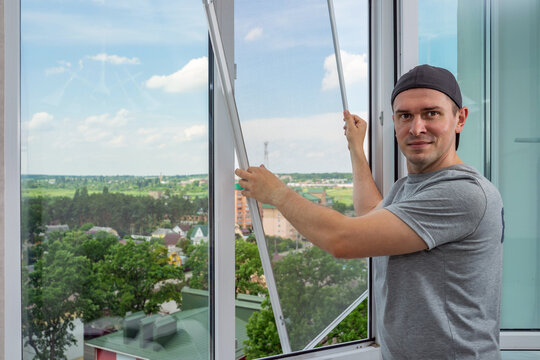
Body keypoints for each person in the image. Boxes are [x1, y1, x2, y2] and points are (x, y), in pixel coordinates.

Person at [235, 64, 504, 359]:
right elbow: (371, 213)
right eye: (405, 116)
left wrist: (277, 193)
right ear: (394, 122)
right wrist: (355, 148)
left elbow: (344, 239)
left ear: (459, 119)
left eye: (431, 113)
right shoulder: (409, 188)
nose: (417, 128)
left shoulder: (463, 192)